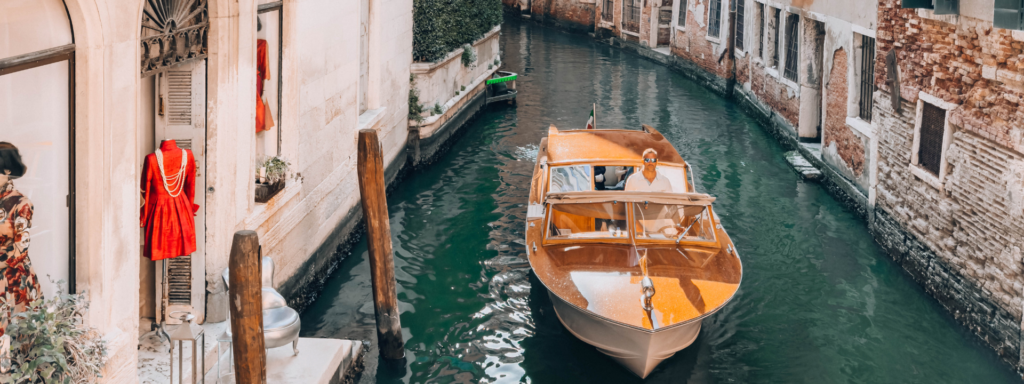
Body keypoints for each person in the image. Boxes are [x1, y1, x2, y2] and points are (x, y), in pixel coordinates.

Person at [0, 142, 42, 338]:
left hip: (12, 280)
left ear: (7, 170)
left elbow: (20, 248)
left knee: (12, 340)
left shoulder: (21, 203)